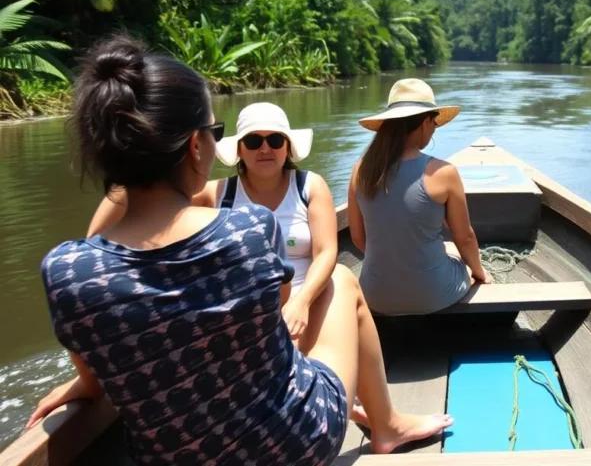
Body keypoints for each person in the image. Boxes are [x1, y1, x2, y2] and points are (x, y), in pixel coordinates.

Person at [29, 36, 451, 465]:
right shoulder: (249, 229)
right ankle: (388, 424)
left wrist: (87, 383)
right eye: (220, 133)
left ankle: (385, 420)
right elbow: (273, 333)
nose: (263, 148)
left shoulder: (66, 271)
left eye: (274, 140)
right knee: (344, 278)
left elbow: (109, 244)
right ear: (197, 146)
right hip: (293, 445)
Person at [87, 102, 337, 352]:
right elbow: (137, 193)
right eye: (252, 141)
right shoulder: (217, 193)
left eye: (274, 140)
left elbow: (326, 252)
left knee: (343, 282)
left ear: (287, 147)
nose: (264, 149)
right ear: (239, 149)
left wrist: (301, 302)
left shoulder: (310, 186)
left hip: (306, 299)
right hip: (245, 312)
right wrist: (92, 243)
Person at [348, 78, 492, 316]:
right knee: (454, 252)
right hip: (434, 294)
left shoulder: (360, 170)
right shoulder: (443, 173)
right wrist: (479, 273)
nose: (435, 128)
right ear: (426, 121)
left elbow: (357, 237)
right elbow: (464, 237)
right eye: (434, 122)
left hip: (375, 295)